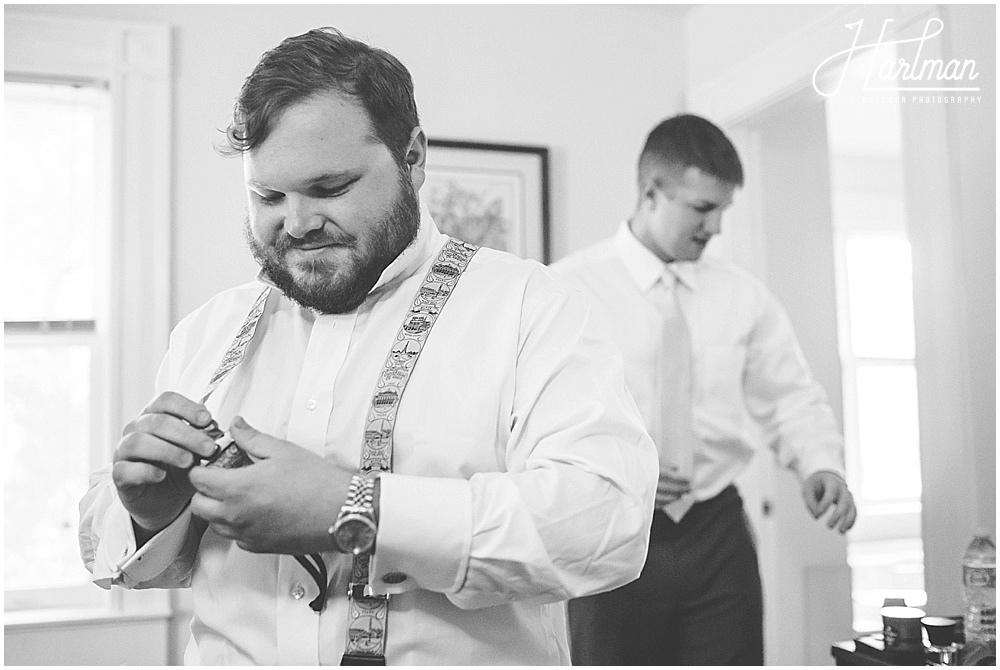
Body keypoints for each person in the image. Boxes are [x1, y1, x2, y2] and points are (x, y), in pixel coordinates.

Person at [78, 27, 658, 666]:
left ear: (413, 157)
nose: (295, 224)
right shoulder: (207, 333)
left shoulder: (531, 308)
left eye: (329, 189)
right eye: (267, 196)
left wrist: (354, 507)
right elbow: (123, 552)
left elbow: (605, 525)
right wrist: (148, 514)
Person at [551, 113, 858, 665]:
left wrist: (821, 464)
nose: (715, 227)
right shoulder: (567, 290)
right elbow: (537, 418)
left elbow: (789, 395)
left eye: (723, 210)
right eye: (702, 209)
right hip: (613, 532)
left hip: (718, 537)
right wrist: (617, 468)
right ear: (651, 193)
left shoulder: (744, 296)